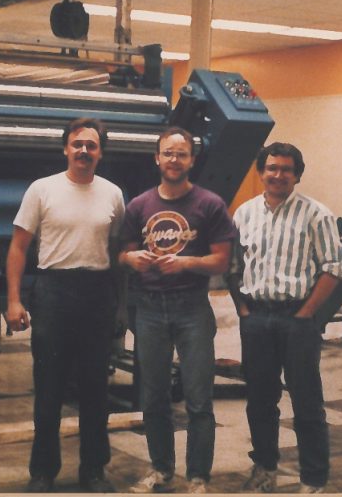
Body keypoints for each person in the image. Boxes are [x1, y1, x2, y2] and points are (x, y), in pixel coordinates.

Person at [5, 117, 125, 493]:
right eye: (77, 144)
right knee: (49, 389)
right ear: (65, 149)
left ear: (100, 152)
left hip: (97, 293)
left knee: (95, 391)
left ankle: (93, 471)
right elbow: (18, 247)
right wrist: (13, 300)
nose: (84, 151)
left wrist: (120, 306)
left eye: (91, 145)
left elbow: (118, 251)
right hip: (53, 292)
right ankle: (42, 472)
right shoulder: (42, 190)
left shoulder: (113, 194)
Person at [119, 126, 237, 494]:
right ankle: (161, 470)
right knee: (153, 397)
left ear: (192, 160)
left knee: (199, 398)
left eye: (181, 153)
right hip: (150, 310)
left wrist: (186, 263)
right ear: (157, 158)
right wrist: (131, 258)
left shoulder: (210, 204)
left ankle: (198, 477)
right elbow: (121, 252)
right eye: (168, 153)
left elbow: (221, 261)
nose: (174, 159)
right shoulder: (139, 206)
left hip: (192, 311)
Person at [227, 142, 342, 494]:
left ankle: (313, 479)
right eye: (272, 168)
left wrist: (305, 313)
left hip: (296, 320)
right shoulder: (243, 214)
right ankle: (265, 469)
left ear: (297, 175)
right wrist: (244, 310)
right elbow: (234, 266)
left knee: (306, 402)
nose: (278, 175)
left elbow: (333, 269)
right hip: (257, 319)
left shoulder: (317, 214)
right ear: (261, 172)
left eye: (286, 169)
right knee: (260, 401)